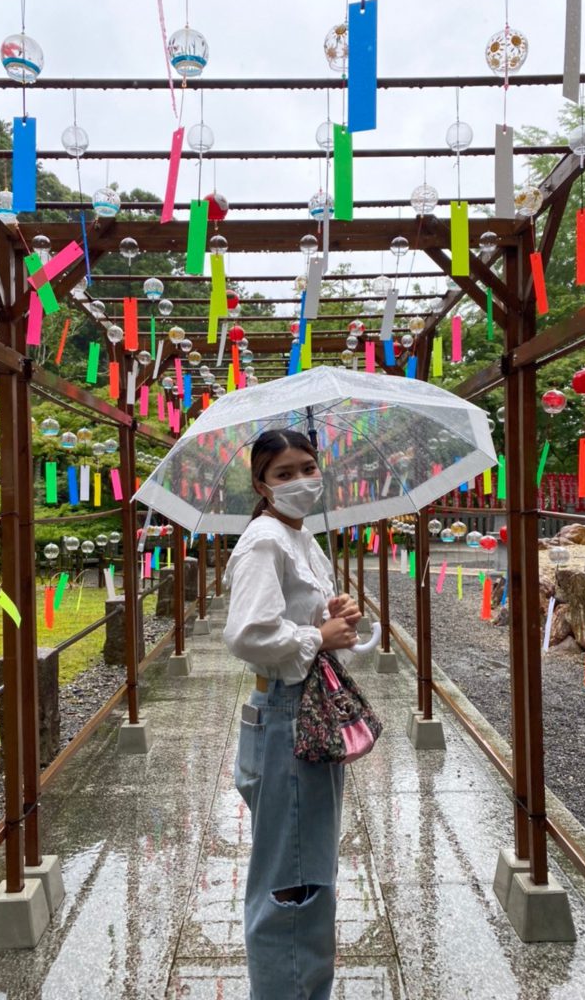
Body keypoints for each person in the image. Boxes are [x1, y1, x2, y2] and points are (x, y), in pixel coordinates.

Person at [223, 428, 362, 1000]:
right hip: (286, 716)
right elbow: (247, 633)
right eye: (284, 473)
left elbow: (303, 621)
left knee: (307, 871)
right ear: (262, 483)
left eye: (308, 467)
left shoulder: (301, 539)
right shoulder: (265, 540)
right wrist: (315, 635)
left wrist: (335, 615)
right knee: (294, 883)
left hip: (304, 713)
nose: (300, 481)